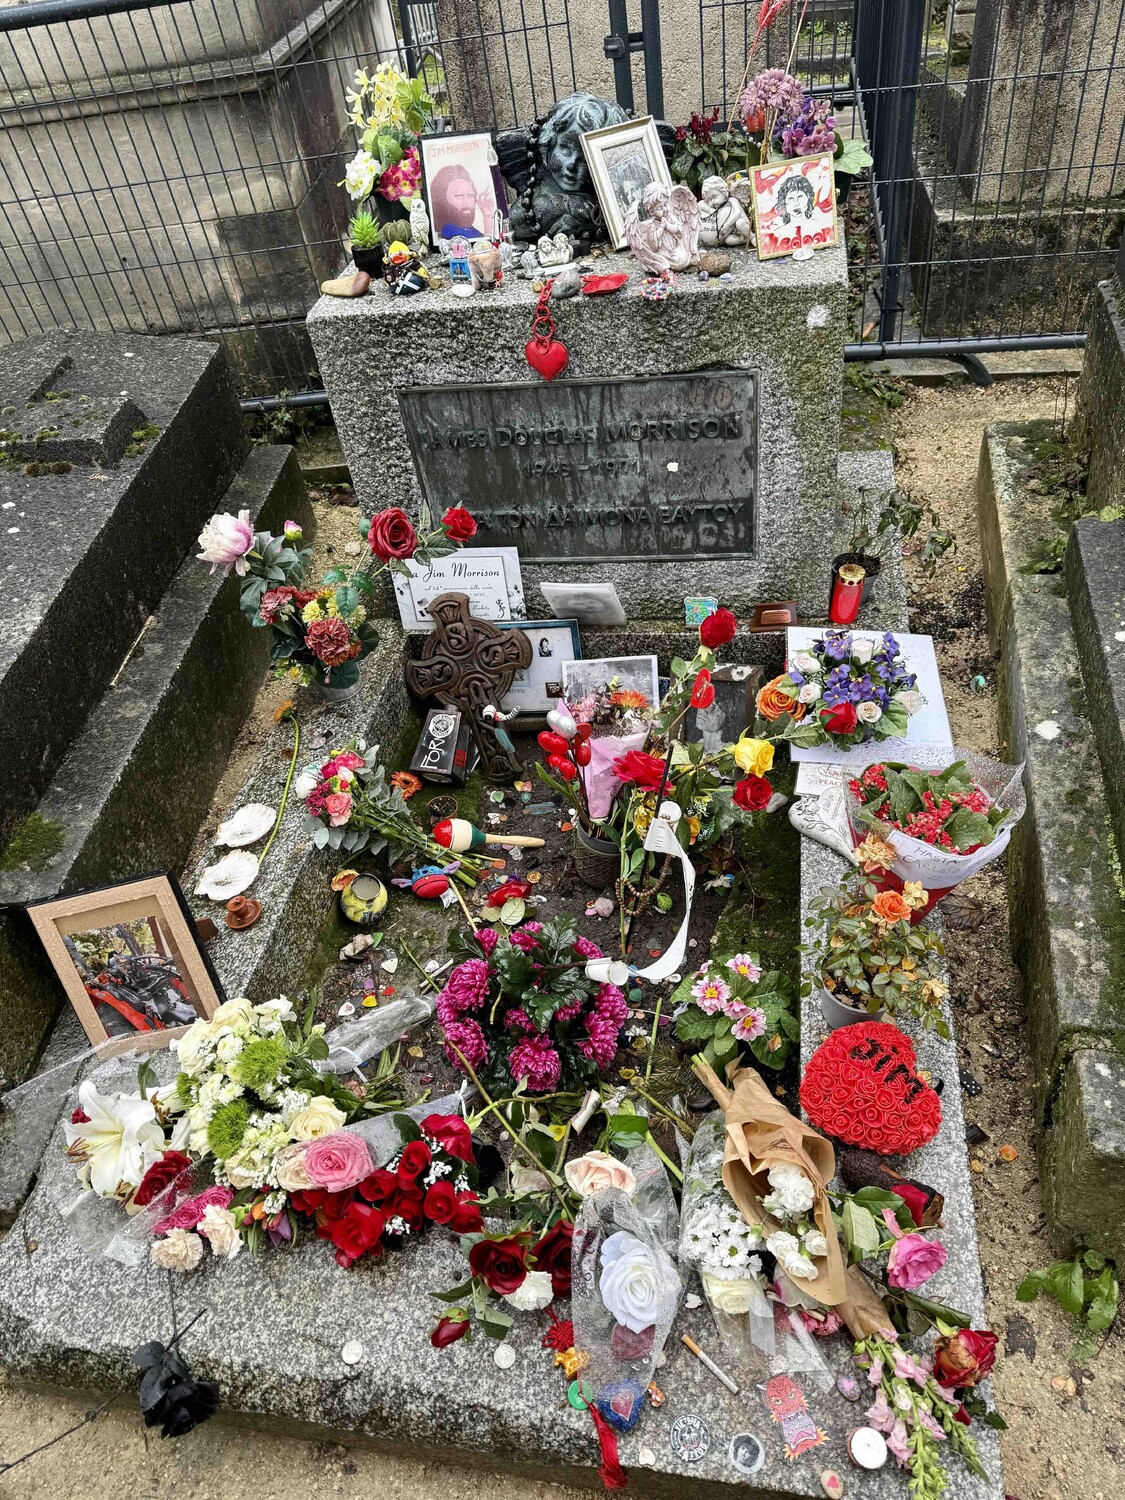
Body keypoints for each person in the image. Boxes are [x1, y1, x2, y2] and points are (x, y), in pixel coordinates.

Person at [430, 163, 488, 239]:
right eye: (458, 196)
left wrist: (487, 216)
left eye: (470, 195)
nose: (466, 202)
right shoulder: (449, 231)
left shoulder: (468, 229)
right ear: (442, 199)